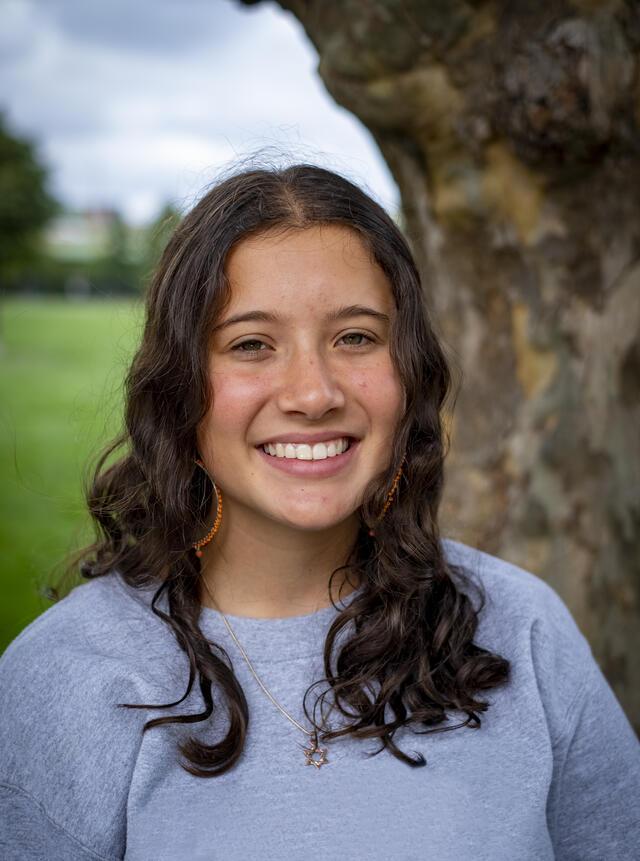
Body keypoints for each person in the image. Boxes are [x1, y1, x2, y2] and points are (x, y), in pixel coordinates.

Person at [1, 163, 639, 861]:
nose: (313, 392)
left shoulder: (524, 630)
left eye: (356, 337)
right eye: (251, 344)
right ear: (180, 387)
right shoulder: (67, 675)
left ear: (410, 371)